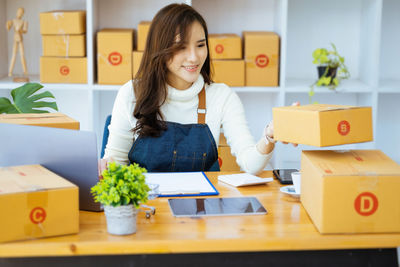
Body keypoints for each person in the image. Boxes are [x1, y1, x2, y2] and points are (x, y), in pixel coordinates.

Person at [101, 3, 294, 175]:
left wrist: (269, 136)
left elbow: (250, 164)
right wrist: (104, 168)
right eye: (181, 47)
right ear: (160, 49)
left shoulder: (221, 96)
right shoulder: (132, 93)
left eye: (200, 45)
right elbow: (114, 166)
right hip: (146, 208)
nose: (194, 57)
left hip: (201, 209)